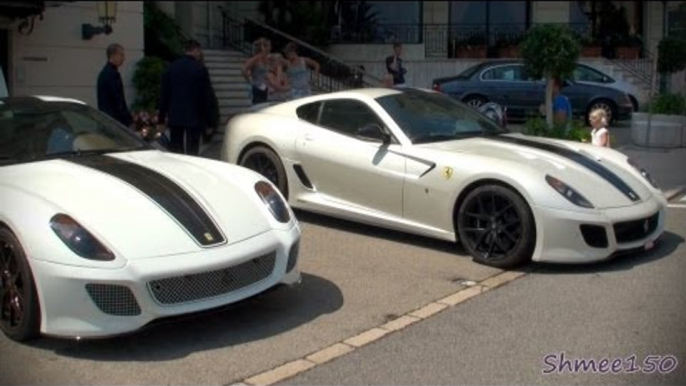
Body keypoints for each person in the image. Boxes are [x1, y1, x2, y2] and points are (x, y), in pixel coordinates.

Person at [158, 40, 213, 156]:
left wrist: (161, 119)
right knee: (192, 150)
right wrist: (209, 121)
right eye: (199, 52)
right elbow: (206, 96)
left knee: (176, 151)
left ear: (184, 50)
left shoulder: (171, 68)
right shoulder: (200, 69)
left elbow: (164, 94)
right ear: (196, 51)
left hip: (175, 115)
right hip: (194, 115)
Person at [97, 43, 132, 127]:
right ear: (113, 55)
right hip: (114, 121)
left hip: (109, 120)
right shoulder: (111, 74)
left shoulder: (107, 73)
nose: (124, 58)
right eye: (121, 55)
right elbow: (118, 99)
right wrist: (127, 119)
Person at [242, 37, 271, 104]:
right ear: (264, 47)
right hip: (257, 86)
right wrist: (250, 81)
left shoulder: (265, 59)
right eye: (268, 46)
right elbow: (243, 69)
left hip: (265, 87)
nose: (270, 48)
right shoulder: (256, 58)